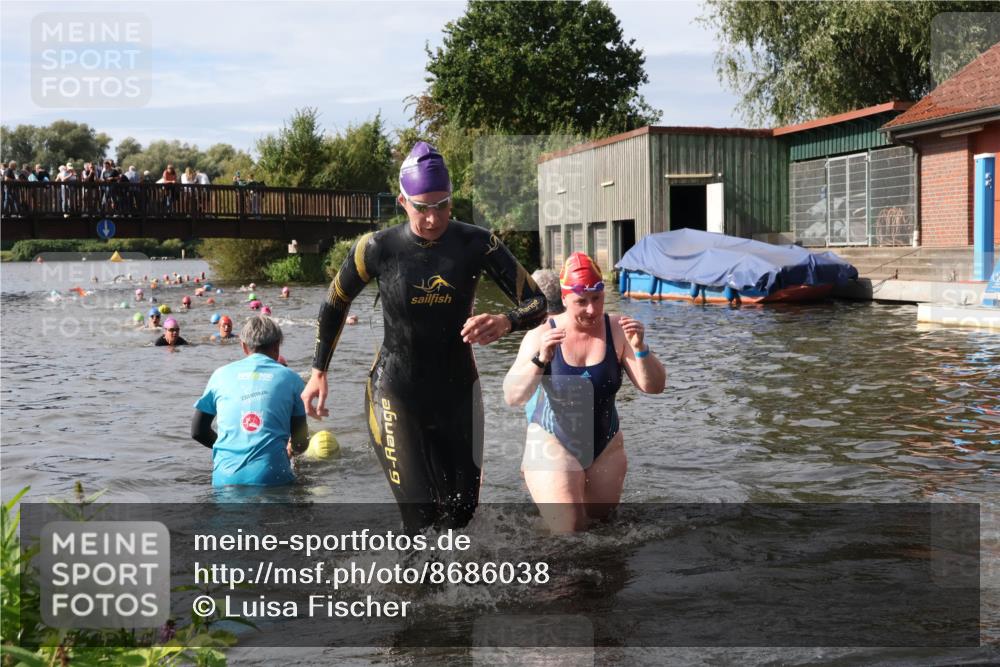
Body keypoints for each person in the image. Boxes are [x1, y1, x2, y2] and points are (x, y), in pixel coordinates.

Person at [302, 141, 547, 533]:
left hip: (457, 393)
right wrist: (318, 371)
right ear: (402, 201)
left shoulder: (477, 243)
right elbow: (335, 302)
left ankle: (462, 593)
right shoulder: (377, 248)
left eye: (442, 205)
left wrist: (506, 321)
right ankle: (409, 592)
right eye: (422, 207)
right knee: (421, 518)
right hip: (396, 391)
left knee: (462, 517)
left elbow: (538, 302)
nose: (433, 219)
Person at [503, 252, 666, 533]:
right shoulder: (542, 333)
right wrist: (541, 358)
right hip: (553, 441)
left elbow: (653, 387)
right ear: (565, 299)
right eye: (581, 301)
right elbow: (513, 396)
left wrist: (641, 348)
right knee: (569, 529)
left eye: (597, 299)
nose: (591, 310)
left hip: (606, 446)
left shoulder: (618, 330)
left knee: (602, 530)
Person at [191, 316, 309, 486]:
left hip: (225, 479)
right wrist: (290, 451)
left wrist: (227, 447)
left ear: (243, 346)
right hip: (272, 478)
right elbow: (300, 442)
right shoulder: (292, 379)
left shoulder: (219, 375)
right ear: (277, 346)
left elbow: (197, 431)